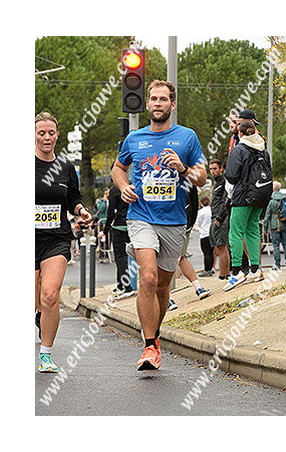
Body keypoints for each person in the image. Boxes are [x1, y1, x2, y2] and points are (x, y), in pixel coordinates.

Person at [112, 80, 207, 371]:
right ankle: (149, 345)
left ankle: (155, 336)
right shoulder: (135, 138)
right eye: (153, 99)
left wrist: (183, 168)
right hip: (141, 216)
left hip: (174, 220)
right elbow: (118, 168)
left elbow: (202, 178)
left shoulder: (187, 137)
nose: (157, 103)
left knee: (163, 286)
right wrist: (124, 187)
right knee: (149, 278)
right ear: (148, 103)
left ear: (172, 105)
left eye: (163, 99)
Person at [35, 112, 92, 373]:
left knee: (49, 295)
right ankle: (39, 314)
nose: (46, 137)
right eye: (41, 133)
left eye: (51, 133)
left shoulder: (66, 167)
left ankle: (45, 355)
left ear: (57, 135)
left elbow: (74, 198)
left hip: (56, 238)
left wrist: (81, 210)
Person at [223, 120, 271, 291]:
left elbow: (231, 175)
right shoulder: (264, 151)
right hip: (259, 197)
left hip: (242, 197)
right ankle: (255, 269)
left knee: (235, 233)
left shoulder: (239, 150)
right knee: (253, 230)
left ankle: (237, 272)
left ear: (240, 133)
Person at [100, 167, 134, 300]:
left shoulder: (114, 189)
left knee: (120, 257)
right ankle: (120, 284)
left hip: (118, 226)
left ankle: (127, 287)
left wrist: (105, 230)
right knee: (133, 256)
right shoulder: (132, 186)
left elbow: (111, 212)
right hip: (132, 224)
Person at [174, 185, 211, 305]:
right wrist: (189, 225)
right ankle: (198, 288)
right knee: (180, 258)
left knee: (169, 260)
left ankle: (166, 298)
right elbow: (194, 205)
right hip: (183, 225)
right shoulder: (188, 182)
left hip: (174, 224)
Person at [208, 159, 231, 280]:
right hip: (216, 217)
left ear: (221, 169)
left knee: (221, 247)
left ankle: (223, 274)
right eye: (211, 169)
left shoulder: (223, 181)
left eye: (215, 169)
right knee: (220, 247)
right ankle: (225, 273)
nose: (213, 171)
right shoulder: (218, 183)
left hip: (220, 218)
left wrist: (219, 218)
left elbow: (225, 200)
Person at [263, 181, 286, 270]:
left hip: (275, 226)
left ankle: (277, 265)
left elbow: (267, 216)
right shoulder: (285, 199)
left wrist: (265, 228)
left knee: (276, 245)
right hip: (284, 225)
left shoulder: (272, 201)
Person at [196, 195, 214, 277]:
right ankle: (211, 269)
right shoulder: (212, 209)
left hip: (204, 233)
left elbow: (198, 223)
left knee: (206, 253)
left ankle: (207, 270)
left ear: (201, 202)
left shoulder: (201, 212)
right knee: (211, 252)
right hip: (212, 232)